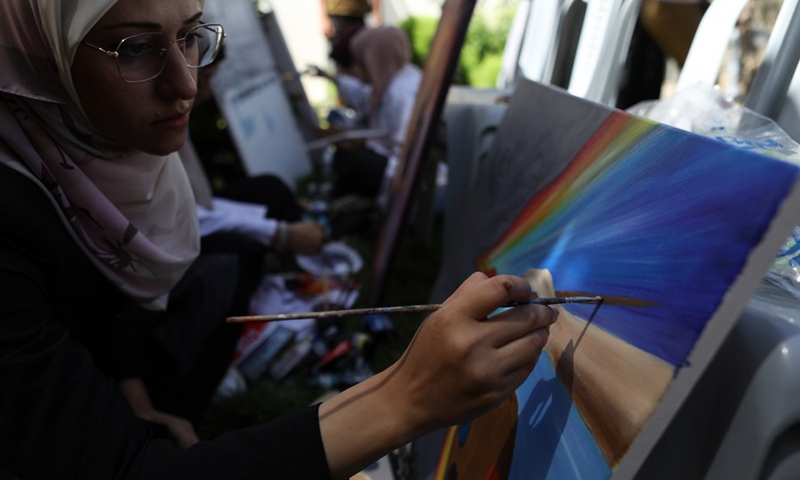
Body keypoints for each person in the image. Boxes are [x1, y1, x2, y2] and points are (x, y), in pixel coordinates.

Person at [0, 2, 557, 480]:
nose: (187, 84)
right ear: (41, 53)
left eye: (190, 36)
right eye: (136, 48)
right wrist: (407, 398)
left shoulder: (98, 159)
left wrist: (133, 399)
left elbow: (101, 302)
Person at [312, 26, 422, 207]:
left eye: (362, 61)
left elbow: (402, 149)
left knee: (353, 163)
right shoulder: (390, 82)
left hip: (403, 175)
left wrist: (360, 142)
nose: (357, 68)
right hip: (390, 162)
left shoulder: (402, 94)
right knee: (345, 156)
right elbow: (363, 96)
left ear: (377, 58)